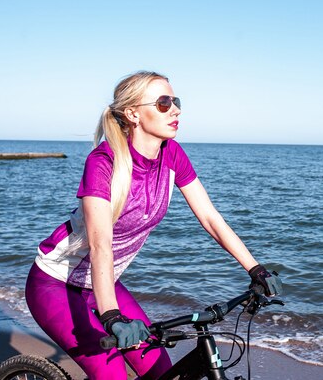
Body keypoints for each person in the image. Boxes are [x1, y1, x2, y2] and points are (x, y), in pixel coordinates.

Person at [24, 71, 282, 380]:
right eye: (163, 103)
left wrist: (256, 269)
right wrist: (111, 317)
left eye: (176, 101)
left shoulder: (171, 154)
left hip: (103, 282)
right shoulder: (103, 162)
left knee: (162, 370)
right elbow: (100, 244)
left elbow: (211, 219)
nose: (176, 109)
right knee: (112, 374)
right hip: (56, 283)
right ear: (133, 113)